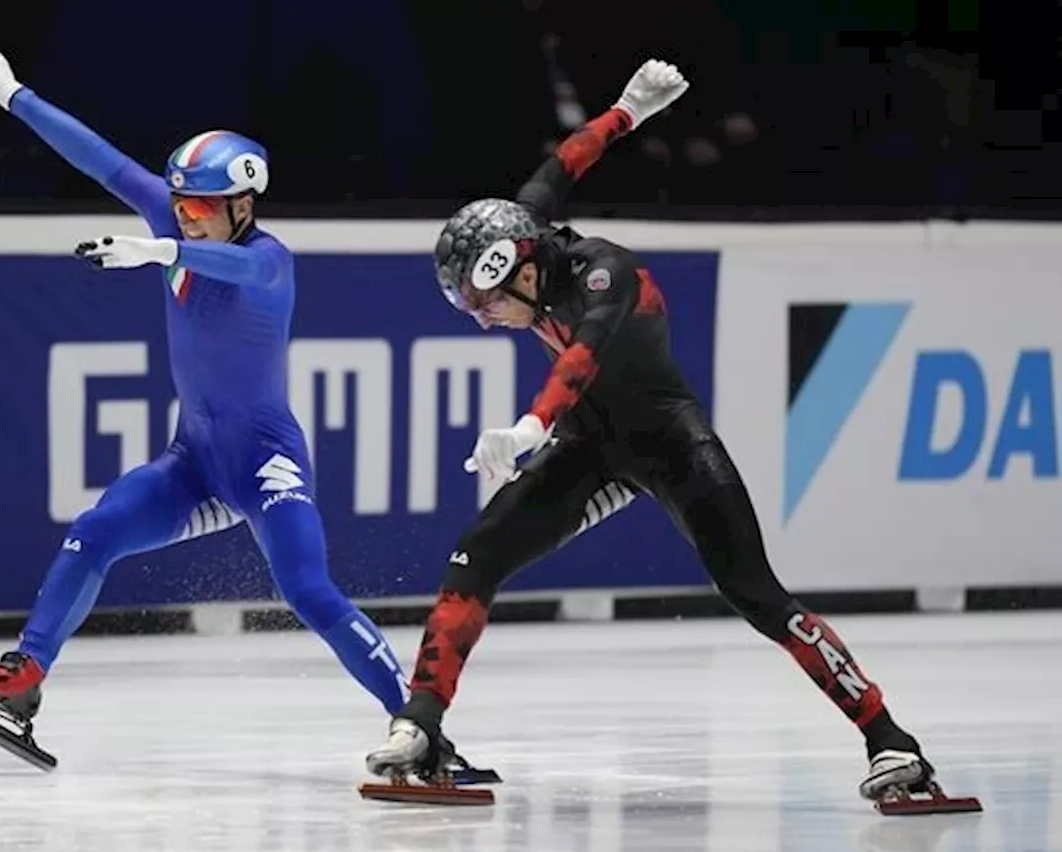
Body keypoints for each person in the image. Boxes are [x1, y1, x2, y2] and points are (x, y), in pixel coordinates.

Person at [363, 59, 942, 805]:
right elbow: (563, 162)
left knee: (757, 594)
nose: (482, 320)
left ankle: (892, 742)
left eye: (483, 304)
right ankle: (421, 724)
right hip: (591, 449)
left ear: (522, 272)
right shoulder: (526, 228)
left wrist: (530, 425)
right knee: (474, 557)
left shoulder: (609, 276)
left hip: (672, 445)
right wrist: (627, 110)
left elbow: (581, 358)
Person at [0, 50, 411, 740]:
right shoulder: (175, 226)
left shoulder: (271, 259)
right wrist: (13, 95)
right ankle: (26, 676)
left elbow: (239, 266)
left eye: (197, 206)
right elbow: (101, 161)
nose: (183, 217)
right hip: (194, 460)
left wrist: (164, 252)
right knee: (94, 531)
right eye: (178, 204)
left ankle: (419, 719)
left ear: (242, 204)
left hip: (264, 464)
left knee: (309, 593)